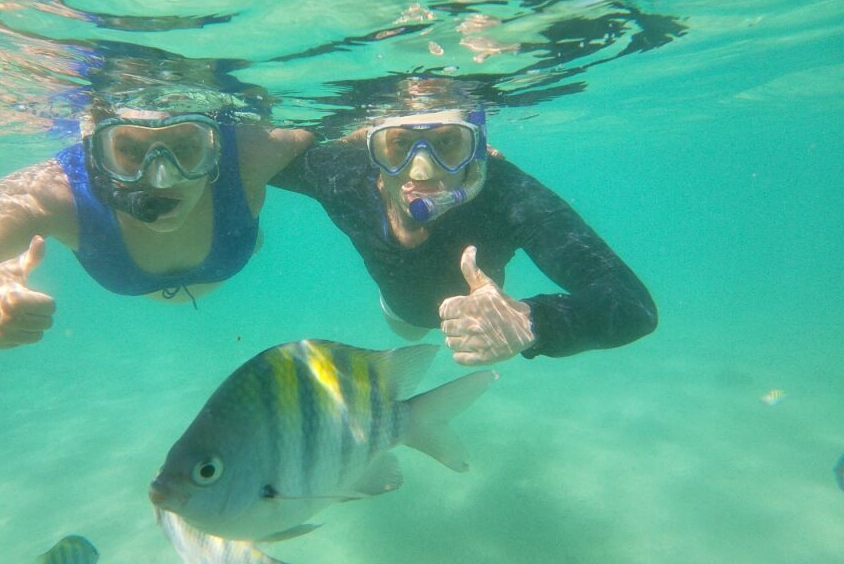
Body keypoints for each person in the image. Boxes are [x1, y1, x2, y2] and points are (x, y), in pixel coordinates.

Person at [0, 100, 312, 349]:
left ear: (215, 144)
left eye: (186, 147)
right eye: (129, 150)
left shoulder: (251, 154)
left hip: (232, 245)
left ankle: (252, 237)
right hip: (225, 253)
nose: (162, 177)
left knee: (249, 236)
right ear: (93, 146)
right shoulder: (56, 194)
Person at [273, 91, 657, 367]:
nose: (421, 171)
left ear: (475, 148)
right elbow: (256, 158)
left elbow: (632, 305)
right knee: (406, 329)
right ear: (371, 149)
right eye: (398, 145)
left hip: (480, 315)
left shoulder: (506, 195)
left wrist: (531, 321)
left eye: (448, 143)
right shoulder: (343, 175)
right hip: (401, 313)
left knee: (409, 329)